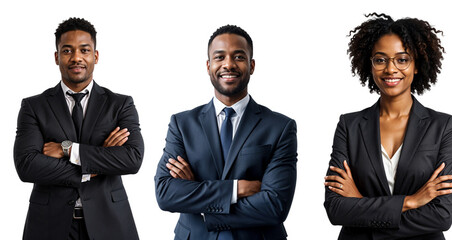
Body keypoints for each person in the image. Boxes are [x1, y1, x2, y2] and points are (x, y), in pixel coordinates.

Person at [324, 13, 452, 239]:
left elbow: (442, 215)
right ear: (370, 64)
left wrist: (360, 203)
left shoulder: (442, 126)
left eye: (402, 59)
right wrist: (411, 201)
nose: (390, 69)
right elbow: (336, 209)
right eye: (380, 59)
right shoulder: (349, 125)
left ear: (416, 65)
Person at [155, 25, 297, 240]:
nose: (228, 64)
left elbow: (275, 205)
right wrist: (234, 189)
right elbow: (166, 193)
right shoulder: (182, 124)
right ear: (208, 65)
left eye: (238, 57)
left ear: (252, 65)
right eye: (219, 57)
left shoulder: (280, 127)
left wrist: (201, 204)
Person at [13, 17, 143, 240]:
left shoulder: (120, 104)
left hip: (110, 223)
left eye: (84, 50)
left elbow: (132, 158)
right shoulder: (33, 106)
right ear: (57, 57)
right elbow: (27, 165)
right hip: (48, 225)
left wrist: (68, 150)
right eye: (67, 51)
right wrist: (93, 166)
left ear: (95, 56)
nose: (76, 58)